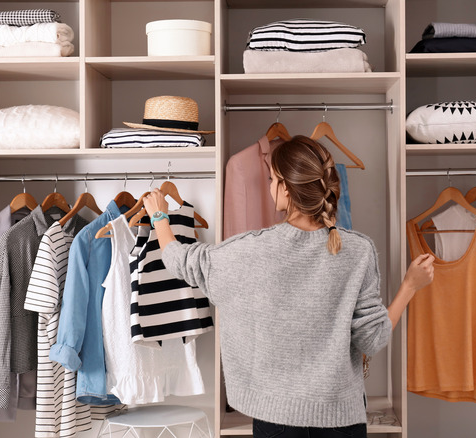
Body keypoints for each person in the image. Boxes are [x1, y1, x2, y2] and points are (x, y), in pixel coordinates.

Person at [144, 135, 434, 438]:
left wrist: (160, 218)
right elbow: (371, 339)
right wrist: (410, 286)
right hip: (342, 419)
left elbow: (182, 262)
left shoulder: (250, 250)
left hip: (276, 419)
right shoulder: (358, 251)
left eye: (272, 179)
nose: (270, 187)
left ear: (285, 187)